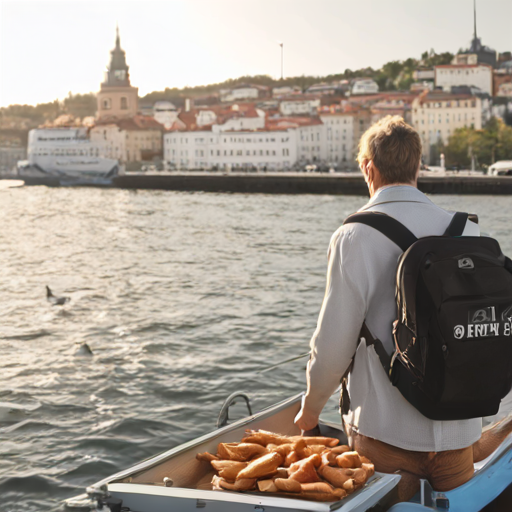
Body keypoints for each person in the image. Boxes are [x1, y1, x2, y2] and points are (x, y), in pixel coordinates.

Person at [294, 116, 512, 499]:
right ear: (418, 167)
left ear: (368, 167)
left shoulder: (353, 236)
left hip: (385, 435)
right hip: (458, 433)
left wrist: (310, 411)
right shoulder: (467, 232)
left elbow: (332, 346)